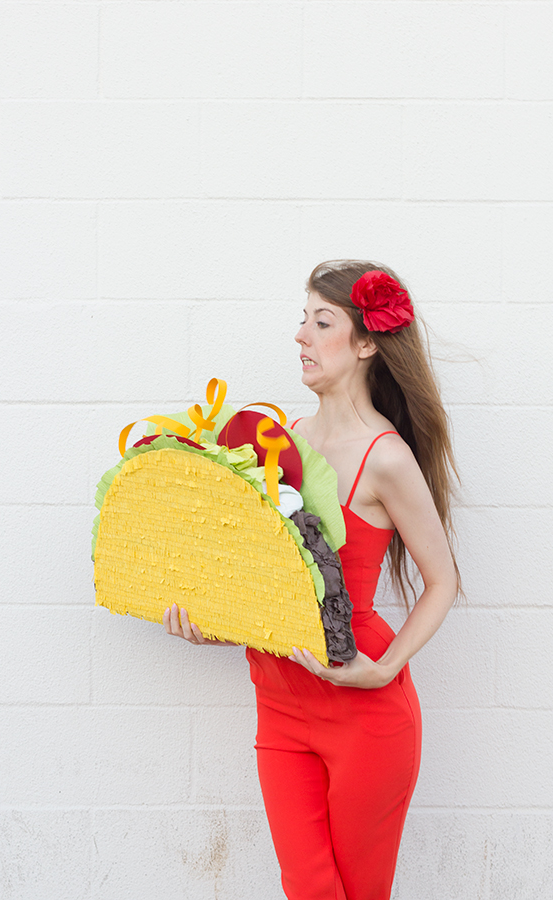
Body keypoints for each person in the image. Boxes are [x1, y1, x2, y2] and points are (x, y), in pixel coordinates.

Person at [163, 259, 461, 900]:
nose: (300, 336)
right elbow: (273, 585)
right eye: (302, 320)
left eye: (321, 322)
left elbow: (442, 580)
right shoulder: (283, 442)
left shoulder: (386, 457)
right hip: (279, 706)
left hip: (365, 714)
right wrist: (210, 628)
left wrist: (385, 669)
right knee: (307, 887)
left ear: (365, 343)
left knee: (356, 891)